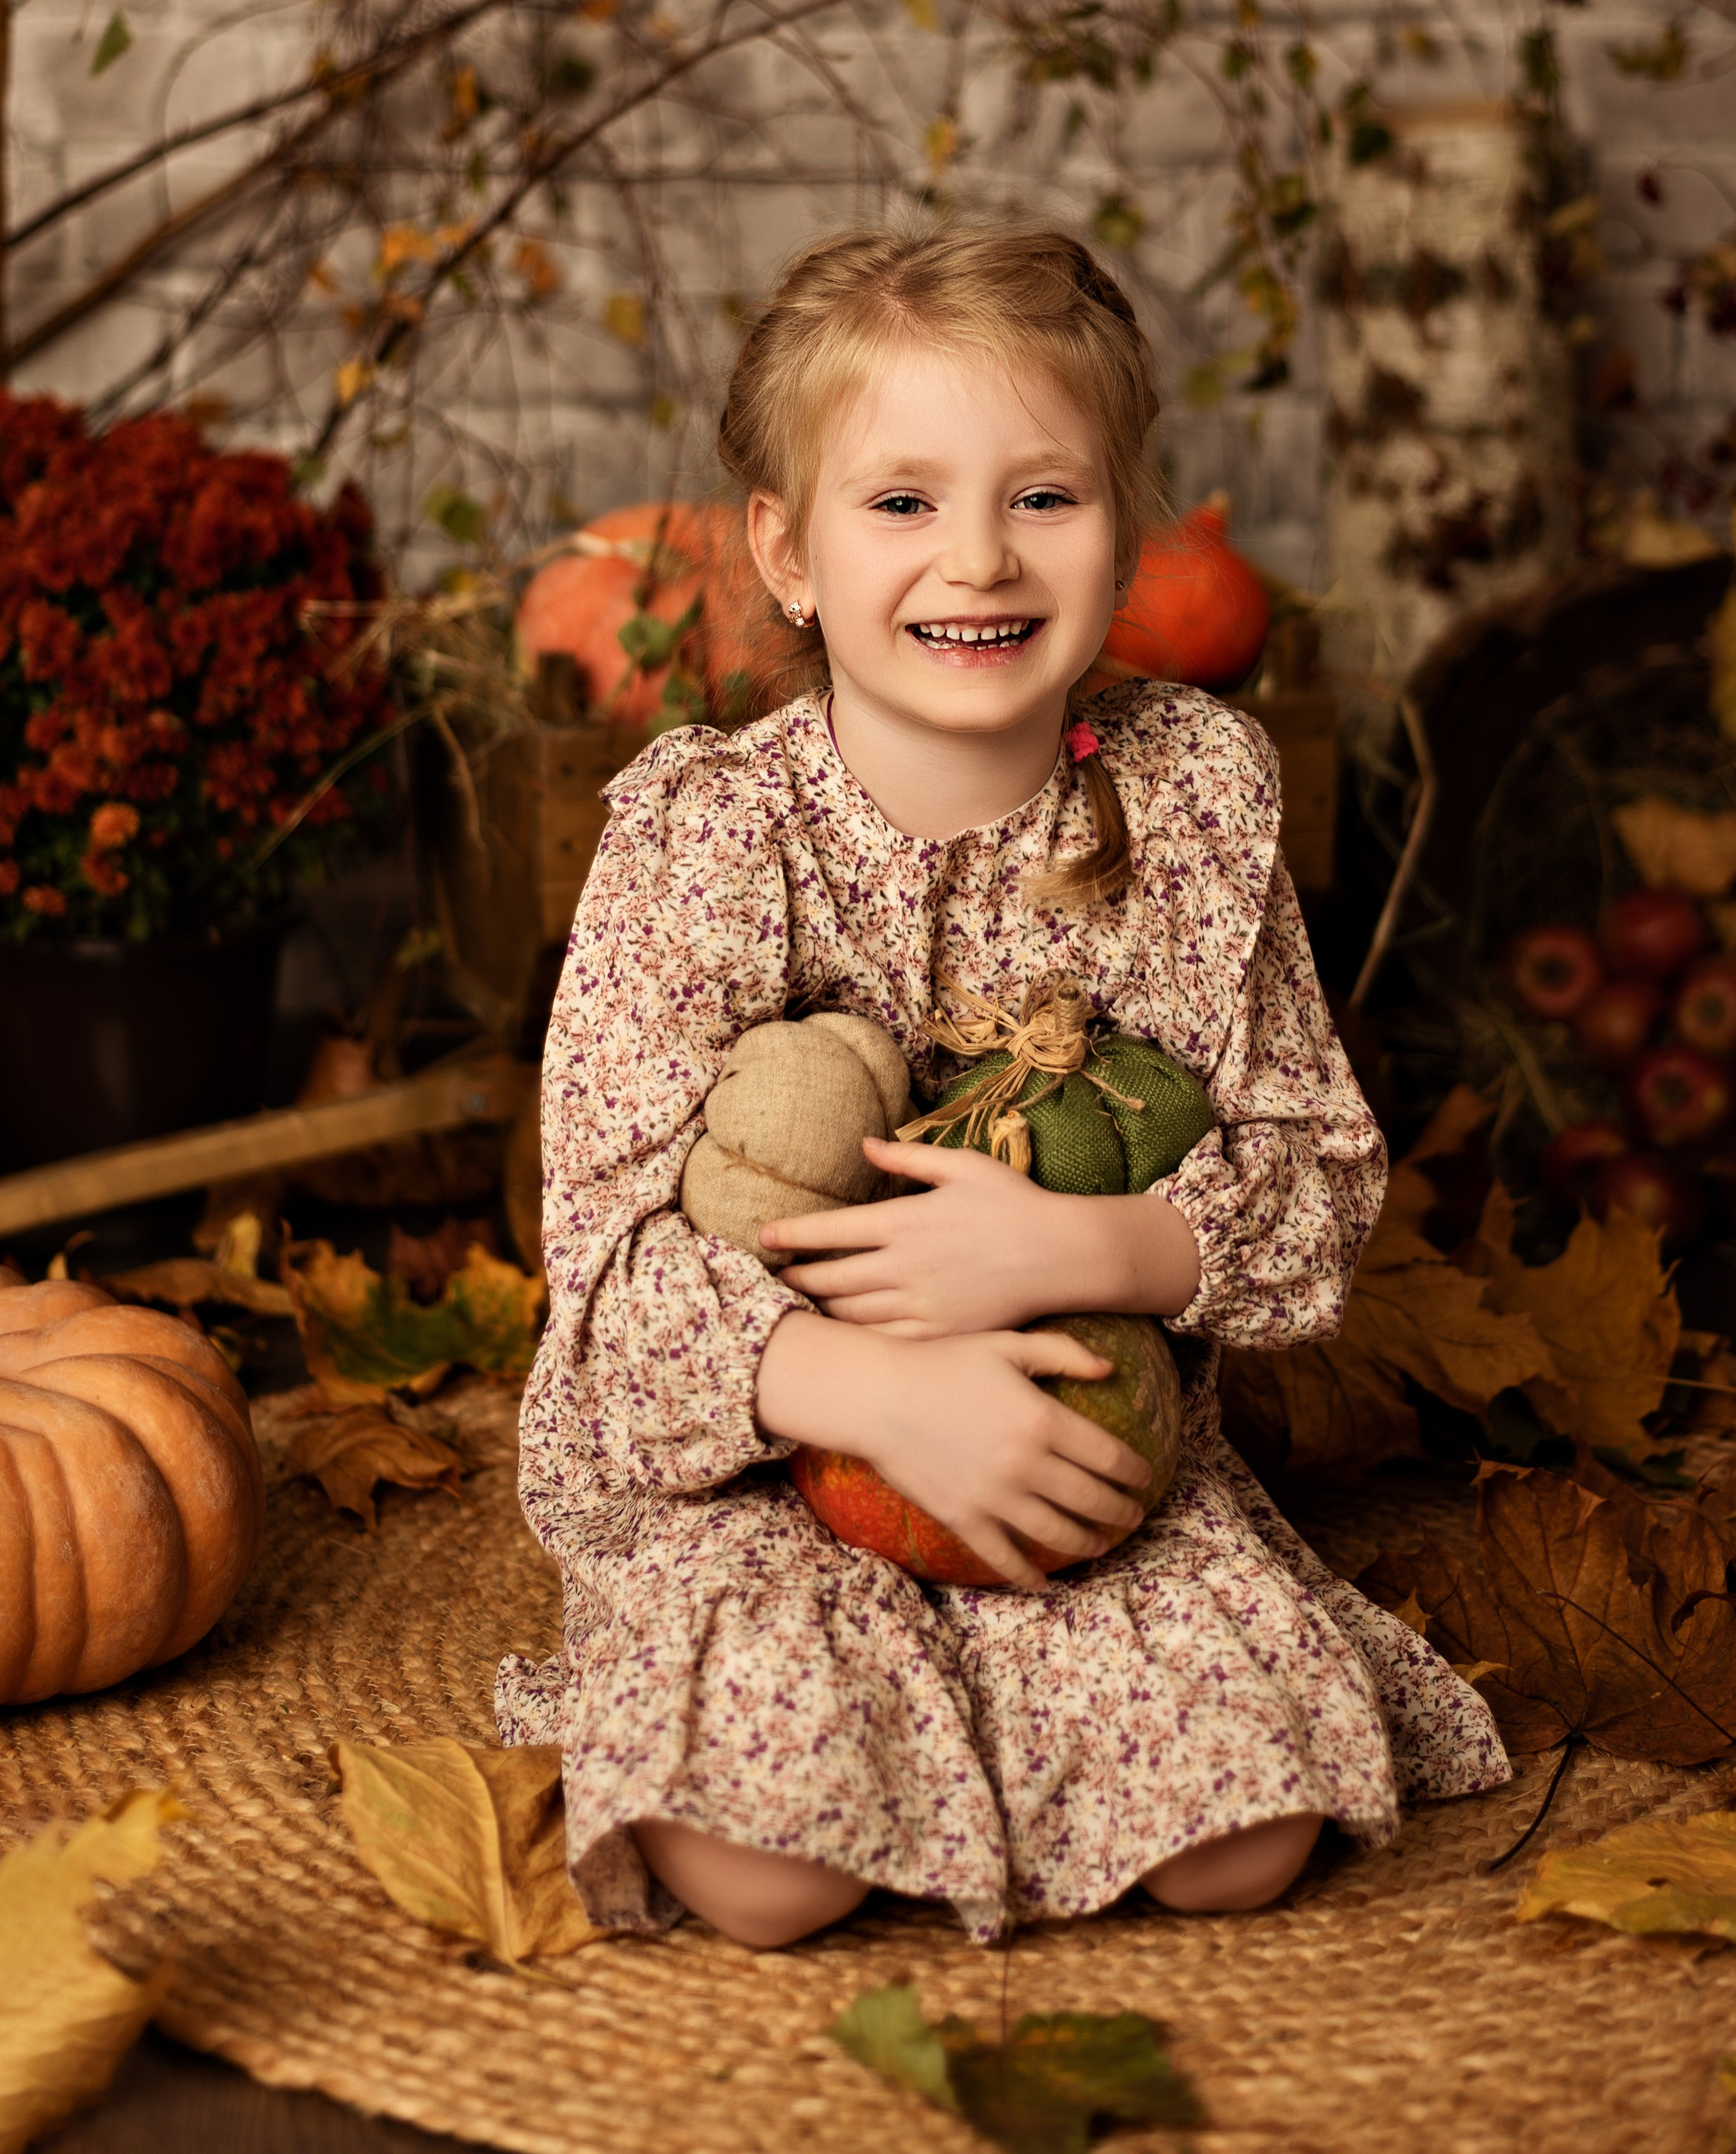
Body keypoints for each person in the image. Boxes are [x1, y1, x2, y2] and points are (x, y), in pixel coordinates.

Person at [497, 226, 1508, 1948]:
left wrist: (1085, 1254)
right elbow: (598, 1273)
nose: (977, 555)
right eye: (900, 503)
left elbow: (1316, 1175)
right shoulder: (711, 837)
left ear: (1124, 534)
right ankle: (831, 1696)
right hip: (768, 1449)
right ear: (785, 553)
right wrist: (860, 1389)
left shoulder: (1190, 800)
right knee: (766, 1878)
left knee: (1236, 1843)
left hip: (1082, 1426)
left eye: (1042, 496)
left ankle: (1036, 1689)